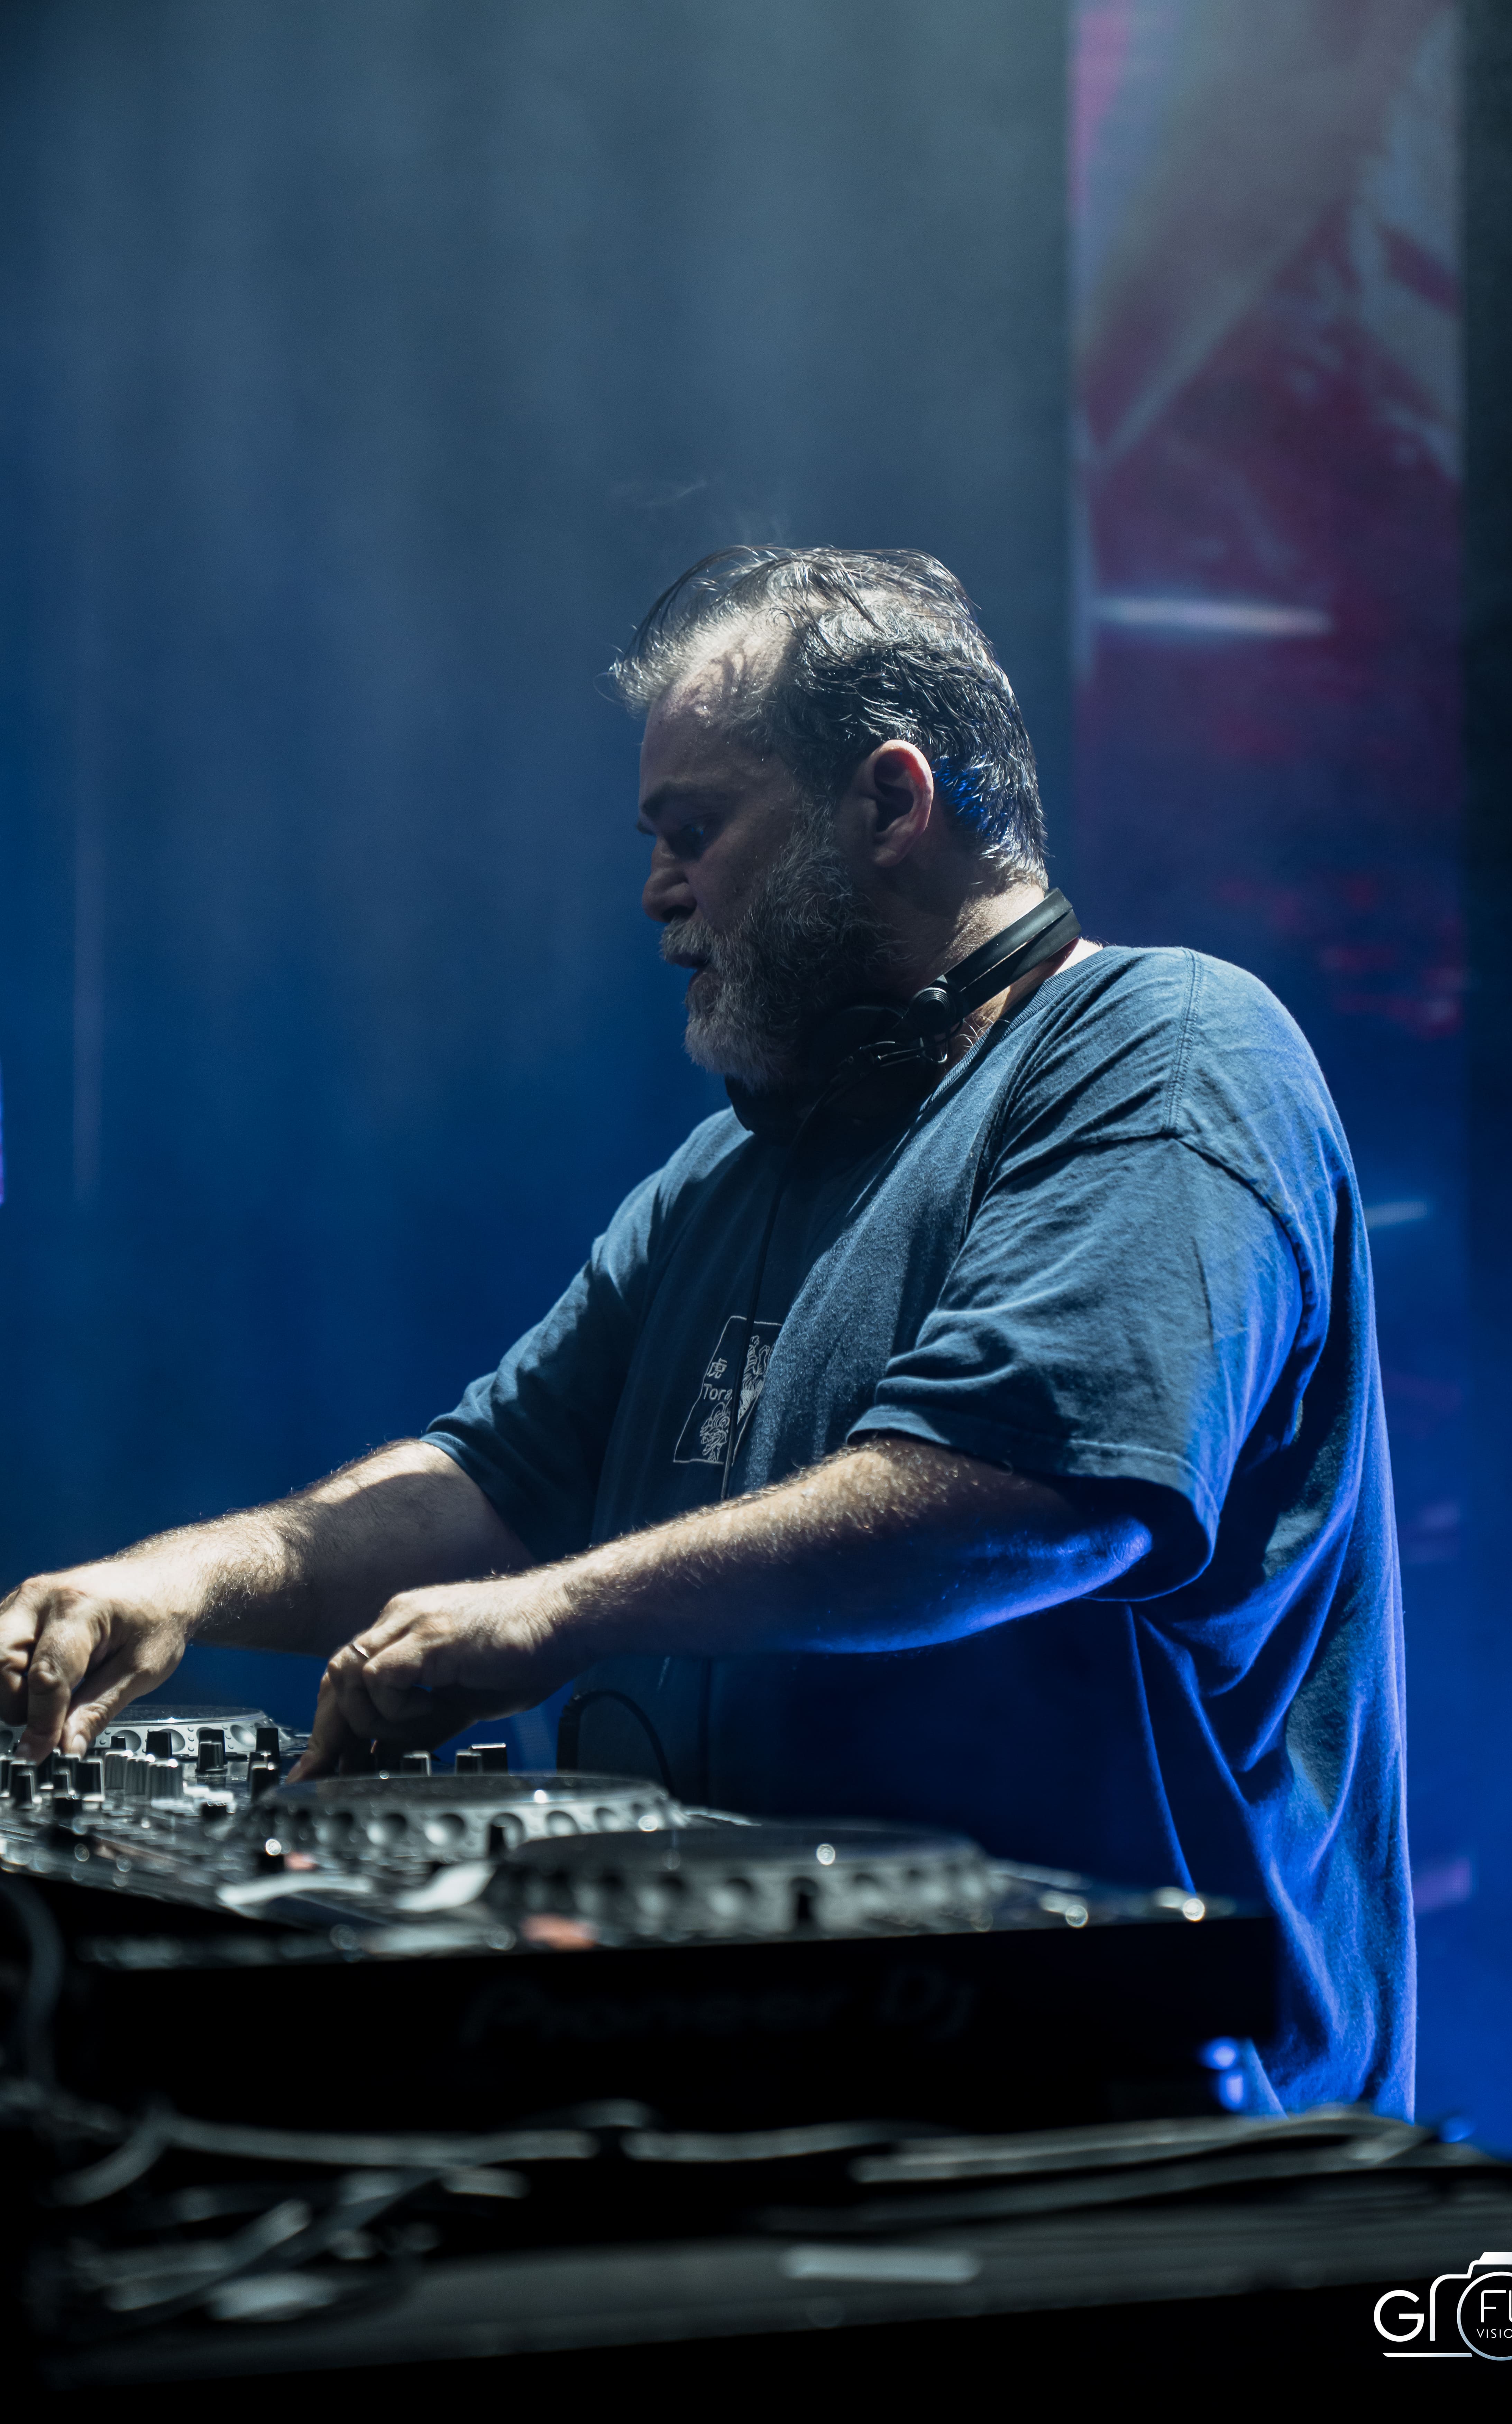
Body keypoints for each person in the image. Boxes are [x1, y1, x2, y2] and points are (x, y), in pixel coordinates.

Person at [0, 548, 1411, 2115]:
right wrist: (184, 1581)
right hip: (758, 2095)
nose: (659, 891)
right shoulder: (725, 1178)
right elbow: (491, 1486)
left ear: (889, 805)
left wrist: (554, 1617)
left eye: (696, 831)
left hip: (1125, 2140)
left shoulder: (1171, 1051)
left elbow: (1033, 1496)